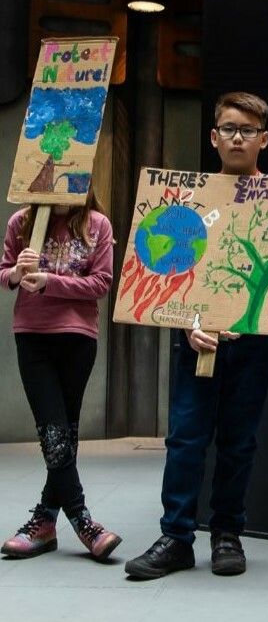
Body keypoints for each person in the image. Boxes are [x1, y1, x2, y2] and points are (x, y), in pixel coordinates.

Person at [125, 92, 268, 579]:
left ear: (263, 139)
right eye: (229, 128)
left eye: (248, 130)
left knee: (239, 440)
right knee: (186, 439)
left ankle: (228, 534)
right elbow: (165, 271)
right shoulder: (185, 198)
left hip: (252, 342)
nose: (237, 137)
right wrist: (189, 323)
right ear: (213, 137)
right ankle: (175, 537)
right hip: (193, 338)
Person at [0, 189, 120, 561]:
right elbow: (3, 271)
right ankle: (85, 522)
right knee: (53, 432)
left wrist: (51, 282)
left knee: (64, 432)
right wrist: (17, 273)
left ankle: (45, 522)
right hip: (32, 336)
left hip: (78, 338)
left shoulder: (97, 225)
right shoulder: (21, 222)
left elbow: (101, 284)